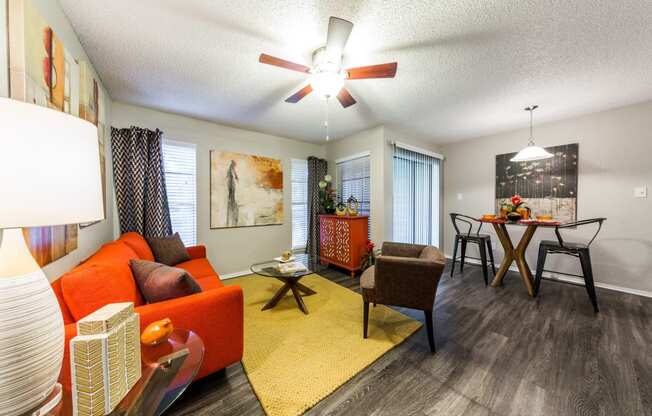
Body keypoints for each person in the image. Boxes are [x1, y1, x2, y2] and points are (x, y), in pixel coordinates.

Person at [226, 159, 239, 226]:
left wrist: (236, 177)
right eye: (234, 164)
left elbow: (235, 175)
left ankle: (231, 202)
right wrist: (236, 177)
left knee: (232, 193)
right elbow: (229, 175)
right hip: (231, 183)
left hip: (232, 183)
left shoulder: (232, 168)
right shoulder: (230, 168)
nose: (235, 165)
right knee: (231, 193)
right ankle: (231, 202)